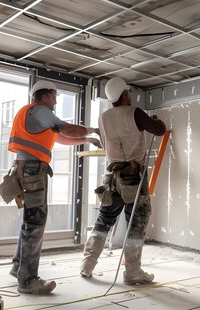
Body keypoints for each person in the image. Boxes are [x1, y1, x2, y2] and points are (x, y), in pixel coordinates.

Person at [8, 79, 101, 294]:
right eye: (54, 96)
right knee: (35, 223)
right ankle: (28, 280)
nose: (56, 100)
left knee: (30, 221)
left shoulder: (33, 115)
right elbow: (65, 128)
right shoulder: (40, 110)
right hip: (32, 170)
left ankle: (18, 267)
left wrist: (87, 139)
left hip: (26, 168)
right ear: (45, 95)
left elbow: (60, 137)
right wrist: (93, 129)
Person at [79, 77, 166, 284]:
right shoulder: (134, 112)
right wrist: (158, 121)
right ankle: (132, 271)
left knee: (104, 219)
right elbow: (160, 130)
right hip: (133, 177)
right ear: (124, 95)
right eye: (129, 92)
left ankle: (87, 264)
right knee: (136, 221)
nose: (130, 95)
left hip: (111, 177)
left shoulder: (103, 117)